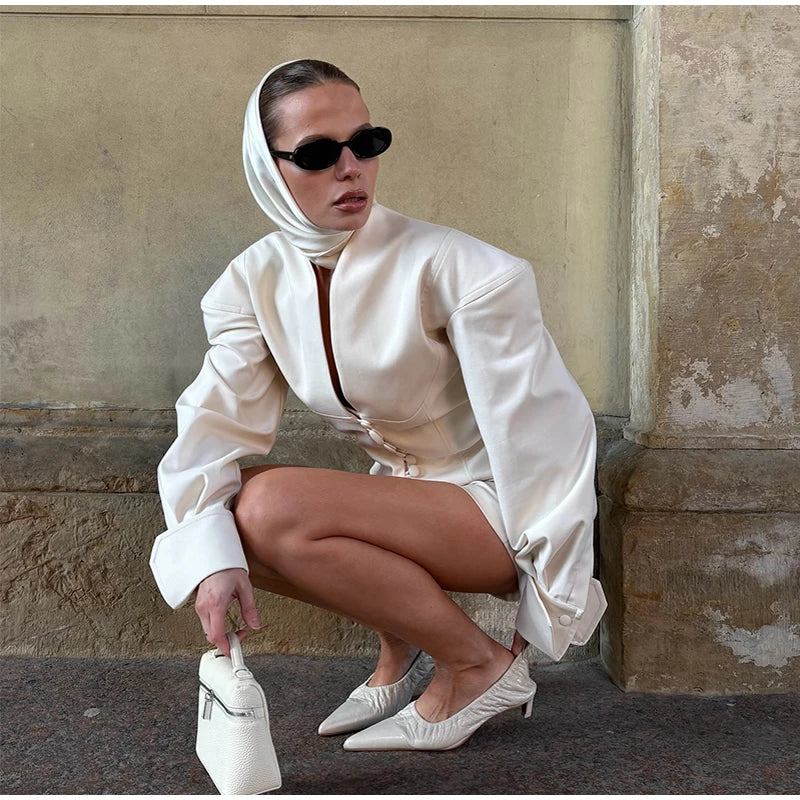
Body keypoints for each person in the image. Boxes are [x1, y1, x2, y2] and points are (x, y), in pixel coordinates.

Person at [150, 58, 606, 752]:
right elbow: (211, 429)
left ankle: (478, 665)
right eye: (317, 153)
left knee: (271, 507)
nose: (350, 168)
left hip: (494, 509)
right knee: (221, 525)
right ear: (267, 167)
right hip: (405, 502)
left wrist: (548, 608)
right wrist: (206, 559)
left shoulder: (466, 272)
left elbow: (551, 441)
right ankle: (405, 655)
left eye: (366, 143)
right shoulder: (250, 283)